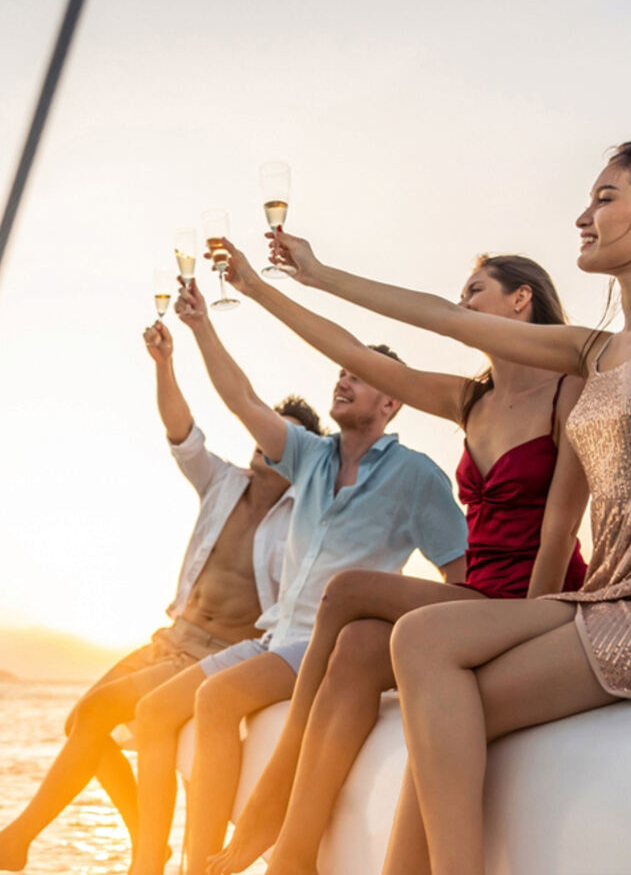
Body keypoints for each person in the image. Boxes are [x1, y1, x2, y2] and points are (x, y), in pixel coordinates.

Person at [271, 136, 631, 875]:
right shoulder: (595, 352)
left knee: (447, 697)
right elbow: (444, 319)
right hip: (614, 591)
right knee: (422, 643)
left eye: (605, 198)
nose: (583, 216)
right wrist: (318, 274)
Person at [204, 248, 590, 875]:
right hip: (481, 591)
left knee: (347, 592)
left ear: (523, 299)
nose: (463, 304)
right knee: (357, 644)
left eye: (476, 290)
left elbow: (560, 528)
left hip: (528, 600)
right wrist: (257, 288)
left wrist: (531, 626)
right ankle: (294, 854)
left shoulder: (571, 392)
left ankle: (272, 813)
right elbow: (353, 353)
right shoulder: (471, 401)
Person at [0, 319, 321, 875]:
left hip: (218, 653)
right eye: (263, 434)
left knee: (103, 713)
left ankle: (40, 843)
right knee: (82, 721)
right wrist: (165, 365)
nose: (267, 445)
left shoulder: (303, 521)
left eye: (281, 439)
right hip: (171, 638)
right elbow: (183, 433)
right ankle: (135, 829)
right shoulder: (223, 484)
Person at [127, 280, 469, 875]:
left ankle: (202, 865)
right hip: (271, 635)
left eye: (358, 376)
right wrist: (201, 326)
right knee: (157, 710)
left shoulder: (417, 476)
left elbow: (459, 575)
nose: (342, 379)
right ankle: (183, 860)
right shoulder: (310, 455)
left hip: (324, 646)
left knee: (215, 699)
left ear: (391, 404)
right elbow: (243, 399)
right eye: (340, 371)